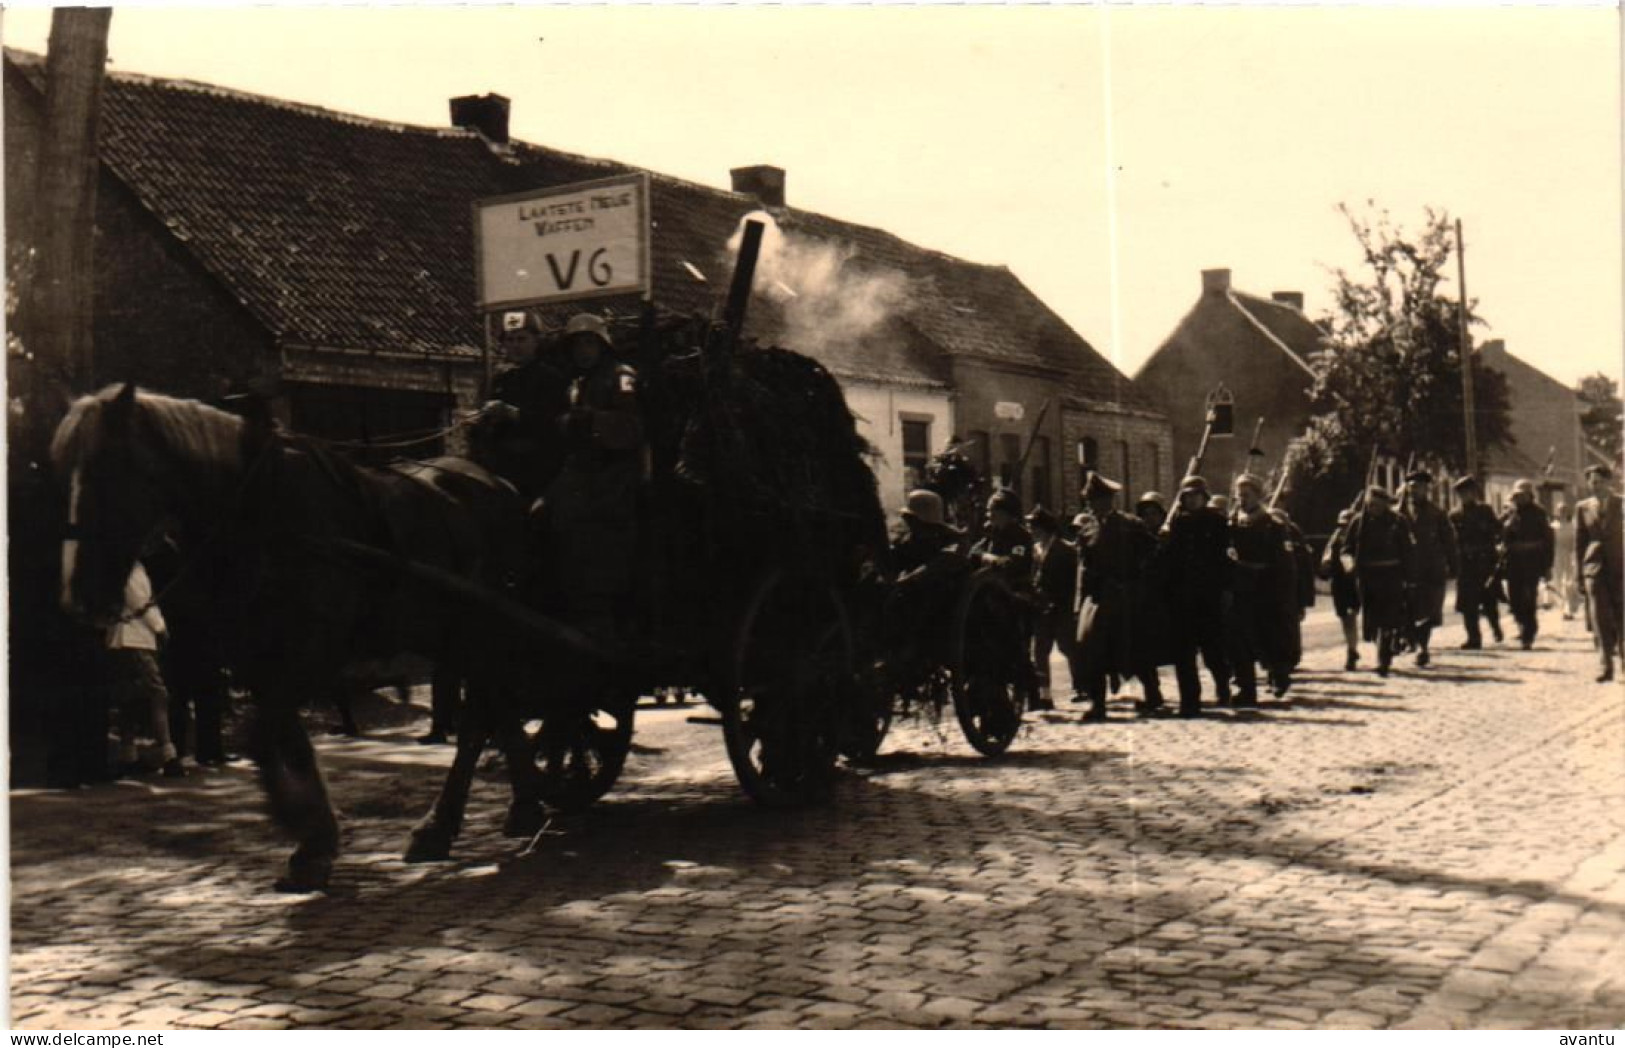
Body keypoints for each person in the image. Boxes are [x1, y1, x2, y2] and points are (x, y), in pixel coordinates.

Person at [543, 313, 646, 641]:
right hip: (582, 470)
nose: (583, 351)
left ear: (602, 345)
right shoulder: (576, 383)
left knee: (598, 531)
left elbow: (633, 427)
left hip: (616, 472)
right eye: (577, 345)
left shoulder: (621, 377)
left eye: (589, 343)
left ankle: (602, 608)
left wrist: (593, 422)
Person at [1073, 471, 1160, 720]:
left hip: (1126, 598)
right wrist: (1080, 603)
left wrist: (1135, 584)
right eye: (1089, 500)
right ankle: (1097, 704)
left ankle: (1152, 693)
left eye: (1096, 500)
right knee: (1092, 650)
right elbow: (1083, 568)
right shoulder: (1087, 529)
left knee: (1133, 649)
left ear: (1109, 501)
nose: (1091, 505)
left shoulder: (1130, 525)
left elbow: (1151, 553)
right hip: (1098, 599)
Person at [1225, 475, 1296, 707]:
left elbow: (1285, 564)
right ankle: (1246, 689)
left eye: (1247, 495)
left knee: (1271, 635)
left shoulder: (1272, 525)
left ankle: (1278, 676)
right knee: (1239, 639)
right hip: (1241, 586)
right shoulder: (1233, 522)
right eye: (1239, 495)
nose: (1242, 500)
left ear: (1258, 495)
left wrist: (1283, 594)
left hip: (1267, 587)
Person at [107, 561, 184, 778]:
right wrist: (160, 627)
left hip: (125, 639)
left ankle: (128, 755)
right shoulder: (131, 568)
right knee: (158, 694)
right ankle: (169, 755)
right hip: (135, 639)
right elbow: (141, 602)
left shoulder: (127, 565)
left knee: (129, 699)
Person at [1164, 475, 1232, 716]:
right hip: (1183, 597)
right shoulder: (1178, 523)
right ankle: (1189, 701)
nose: (1192, 500)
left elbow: (1225, 560)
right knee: (1183, 653)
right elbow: (1171, 560)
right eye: (1187, 496)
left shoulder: (1217, 522)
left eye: (1196, 496)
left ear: (1204, 497)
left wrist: (1224, 590)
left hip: (1208, 596)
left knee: (1212, 649)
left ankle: (1223, 686)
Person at [1343, 486, 1414, 677]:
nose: (1373, 506)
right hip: (1367, 577)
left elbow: (1408, 551)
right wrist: (1349, 565)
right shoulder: (1358, 522)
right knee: (1372, 620)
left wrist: (1409, 578)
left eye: (1377, 502)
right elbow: (1346, 549)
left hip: (1391, 575)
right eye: (1370, 503)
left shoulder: (1398, 522)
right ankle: (1386, 646)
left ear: (1385, 502)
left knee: (1388, 618)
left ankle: (1383, 659)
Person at [1398, 470, 1458, 667]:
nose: (1414, 491)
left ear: (1426, 489)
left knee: (1429, 612)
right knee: (1407, 609)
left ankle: (1423, 647)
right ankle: (1409, 640)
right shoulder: (1398, 512)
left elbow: (1449, 541)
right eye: (1411, 487)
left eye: (1419, 487)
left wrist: (1453, 565)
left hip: (1431, 569)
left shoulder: (1437, 514)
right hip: (1406, 569)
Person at [1026, 507, 1080, 709]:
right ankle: (1045, 696)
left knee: (1068, 648)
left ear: (1045, 529)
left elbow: (1071, 581)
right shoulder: (1036, 550)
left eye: (1035, 527)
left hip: (1061, 608)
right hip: (1042, 609)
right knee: (1040, 652)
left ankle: (1080, 687)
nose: (1032, 530)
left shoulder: (1065, 550)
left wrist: (1062, 602)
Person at [1575, 465, 1623, 681]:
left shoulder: (1621, 503)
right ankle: (1606, 667)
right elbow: (1580, 542)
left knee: (1622, 617)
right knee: (1600, 619)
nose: (1595, 486)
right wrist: (1579, 575)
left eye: (1599, 481)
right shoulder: (1582, 507)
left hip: (1620, 566)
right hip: (1594, 568)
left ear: (1608, 482)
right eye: (1591, 482)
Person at [1449, 476, 1505, 650]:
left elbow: (1497, 530)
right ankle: (1474, 638)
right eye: (1461, 493)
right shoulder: (1454, 515)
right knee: (1468, 603)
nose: (1465, 496)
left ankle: (1495, 627)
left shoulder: (1485, 511)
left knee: (1489, 600)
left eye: (1468, 492)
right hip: (1465, 564)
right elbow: (1451, 539)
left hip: (1485, 562)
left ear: (1474, 493)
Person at [1500, 478, 1555, 651]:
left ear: (1530, 495)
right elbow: (1498, 533)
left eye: (1523, 495)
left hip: (1532, 562)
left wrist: (1547, 566)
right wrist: (1505, 528)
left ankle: (1528, 633)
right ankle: (1522, 625)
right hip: (1513, 563)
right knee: (1514, 599)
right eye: (1517, 495)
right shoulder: (1509, 513)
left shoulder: (1539, 513)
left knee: (1528, 598)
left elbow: (1548, 540)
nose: (1519, 499)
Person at [1320, 509, 1363, 671]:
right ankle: (1351, 649)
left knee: (1352, 615)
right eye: (1342, 524)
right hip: (1340, 582)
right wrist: (1326, 563)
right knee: (1345, 617)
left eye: (1348, 525)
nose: (1345, 528)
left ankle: (1352, 650)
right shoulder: (1336, 537)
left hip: (1357, 581)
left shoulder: (1361, 537)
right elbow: (1327, 556)